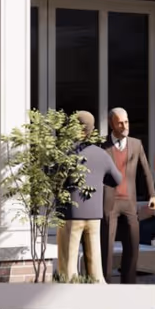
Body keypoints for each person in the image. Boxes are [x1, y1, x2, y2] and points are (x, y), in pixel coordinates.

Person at [57, 111, 120, 283]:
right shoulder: (101, 154)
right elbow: (117, 179)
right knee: (95, 262)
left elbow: (54, 179)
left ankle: (69, 292)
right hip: (94, 214)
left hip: (70, 213)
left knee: (68, 263)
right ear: (91, 131)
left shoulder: (66, 154)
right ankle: (98, 291)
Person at [99, 107, 155, 284]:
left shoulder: (136, 144)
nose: (124, 126)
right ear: (111, 124)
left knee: (132, 244)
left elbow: (145, 171)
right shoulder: (102, 146)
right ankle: (105, 281)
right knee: (107, 246)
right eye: (120, 122)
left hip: (129, 202)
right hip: (109, 202)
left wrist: (152, 195)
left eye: (126, 121)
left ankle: (129, 283)